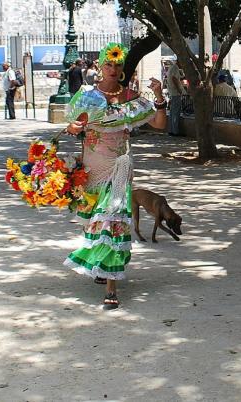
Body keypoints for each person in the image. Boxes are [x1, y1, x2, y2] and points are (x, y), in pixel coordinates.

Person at [64, 42, 167, 310]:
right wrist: (74, 126)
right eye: (108, 64)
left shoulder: (131, 96)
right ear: (100, 66)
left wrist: (158, 96)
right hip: (91, 168)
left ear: (122, 69)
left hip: (120, 167)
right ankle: (101, 261)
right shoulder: (87, 96)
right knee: (94, 222)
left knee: (114, 221)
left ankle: (111, 285)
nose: (113, 68)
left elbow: (159, 123)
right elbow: (72, 126)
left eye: (117, 64)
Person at [166, 60, 185, 137]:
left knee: (172, 112)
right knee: (175, 113)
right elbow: (174, 79)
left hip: (172, 93)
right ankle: (175, 131)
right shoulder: (175, 68)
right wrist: (179, 90)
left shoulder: (172, 67)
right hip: (175, 93)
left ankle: (171, 130)